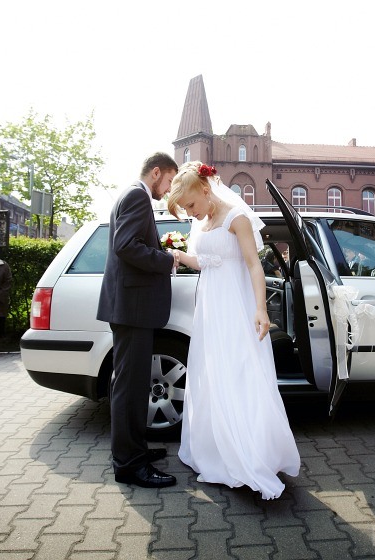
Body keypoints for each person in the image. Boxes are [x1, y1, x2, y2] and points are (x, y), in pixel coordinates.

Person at [167, 161, 300, 500]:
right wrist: (179, 255)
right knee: (214, 375)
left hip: (236, 308)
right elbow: (205, 262)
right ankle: (216, 450)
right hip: (210, 311)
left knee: (241, 373)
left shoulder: (236, 217)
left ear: (206, 190)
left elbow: (255, 266)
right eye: (186, 209)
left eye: (192, 205)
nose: (191, 213)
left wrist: (260, 309)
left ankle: (250, 451)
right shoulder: (205, 223)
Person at [97, 152, 178, 489]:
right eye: (170, 181)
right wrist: (166, 259)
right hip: (132, 308)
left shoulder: (135, 195)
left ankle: (136, 450)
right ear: (156, 172)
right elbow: (126, 246)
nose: (169, 189)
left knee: (131, 385)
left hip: (132, 306)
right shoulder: (136, 195)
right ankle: (129, 465)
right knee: (129, 389)